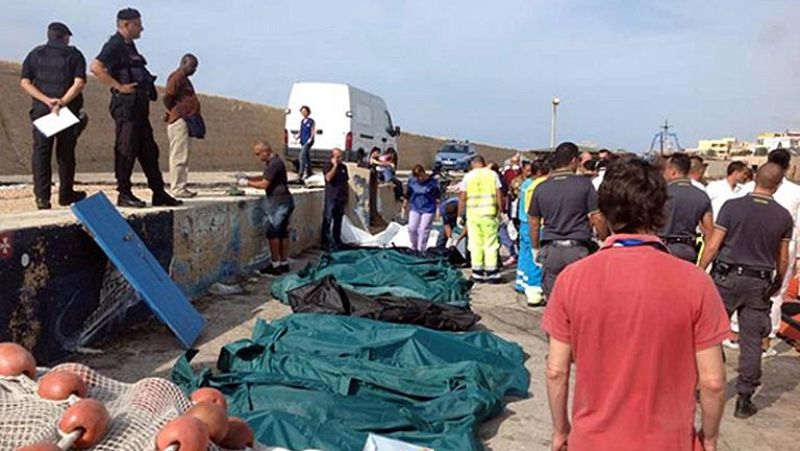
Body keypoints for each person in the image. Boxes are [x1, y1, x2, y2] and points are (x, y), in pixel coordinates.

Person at [543, 158, 728, 451]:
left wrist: (561, 430)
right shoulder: (696, 283)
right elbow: (714, 381)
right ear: (661, 212)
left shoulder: (572, 280)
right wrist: (710, 436)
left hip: (592, 441)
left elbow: (556, 370)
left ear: (603, 214)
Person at [699, 163, 793, 419]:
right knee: (752, 340)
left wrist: (701, 270)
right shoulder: (783, 216)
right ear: (778, 184)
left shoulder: (732, 207)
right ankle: (744, 397)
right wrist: (778, 281)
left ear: (754, 180)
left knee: (708, 334)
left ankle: (702, 385)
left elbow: (714, 244)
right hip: (759, 281)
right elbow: (782, 258)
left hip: (727, 278)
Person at [90, 8, 181, 208]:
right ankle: (124, 193)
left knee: (149, 150)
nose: (142, 28)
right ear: (126, 25)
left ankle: (158, 192)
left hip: (140, 106)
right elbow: (96, 67)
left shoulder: (130, 46)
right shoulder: (114, 44)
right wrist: (119, 86)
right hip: (126, 106)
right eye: (138, 24)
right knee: (126, 148)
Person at [20, 22, 88, 210]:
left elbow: (25, 82)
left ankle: (42, 198)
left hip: (42, 110)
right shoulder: (74, 54)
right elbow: (79, 83)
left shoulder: (35, 54)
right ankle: (66, 194)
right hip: (65, 111)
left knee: (41, 154)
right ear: (65, 37)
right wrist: (61, 102)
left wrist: (46, 100)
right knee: (65, 154)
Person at [529, 142, 608, 298]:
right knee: (580, 300)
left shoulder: (541, 187)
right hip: (578, 250)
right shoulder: (585, 185)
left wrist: (535, 248)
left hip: (551, 250)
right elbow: (597, 217)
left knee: (554, 301)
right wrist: (604, 239)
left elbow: (534, 222)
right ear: (574, 160)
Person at [740, 148, 800, 351]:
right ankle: (769, 334)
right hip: (785, 244)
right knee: (777, 292)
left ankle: (740, 329)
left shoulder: (749, 187)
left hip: (751, 242)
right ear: (788, 166)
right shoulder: (796, 192)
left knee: (747, 284)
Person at [237, 142, 294, 274]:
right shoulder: (275, 162)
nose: (257, 157)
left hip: (279, 203)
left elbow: (264, 184)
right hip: (285, 201)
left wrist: (246, 183)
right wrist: (248, 177)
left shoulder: (274, 164)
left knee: (272, 232)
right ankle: (284, 263)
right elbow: (266, 176)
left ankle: (275, 265)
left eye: (258, 154)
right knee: (282, 233)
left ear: (265, 151)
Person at [659, 153, 713, 263]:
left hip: (662, 249)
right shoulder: (701, 195)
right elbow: (709, 232)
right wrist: (702, 265)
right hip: (688, 251)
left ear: (672, 170)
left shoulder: (660, 193)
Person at [458, 155, 503, 283]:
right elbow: (499, 194)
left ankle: (477, 272)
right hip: (489, 214)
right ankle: (492, 272)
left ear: (473, 164)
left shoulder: (468, 176)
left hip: (473, 216)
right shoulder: (492, 175)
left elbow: (462, 197)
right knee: (490, 243)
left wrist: (459, 215)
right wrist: (501, 211)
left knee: (475, 244)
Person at [164, 53, 204, 199]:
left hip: (187, 120)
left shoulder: (184, 79)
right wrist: (173, 110)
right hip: (180, 120)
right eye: (192, 66)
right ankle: (177, 188)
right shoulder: (177, 77)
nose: (194, 70)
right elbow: (167, 96)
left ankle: (181, 185)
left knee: (184, 154)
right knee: (178, 155)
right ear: (183, 63)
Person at [515, 160, 546, 305]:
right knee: (536, 258)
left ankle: (521, 282)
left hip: (523, 223)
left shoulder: (525, 184)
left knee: (525, 254)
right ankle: (534, 288)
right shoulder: (538, 186)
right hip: (534, 224)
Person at [404, 165, 440, 252]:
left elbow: (437, 197)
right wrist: (404, 205)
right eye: (417, 177)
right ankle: (414, 246)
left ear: (424, 173)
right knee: (412, 228)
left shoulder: (432, 183)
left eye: (421, 176)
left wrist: (438, 210)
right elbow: (408, 194)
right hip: (415, 207)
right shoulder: (412, 182)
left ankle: (421, 249)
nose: (420, 178)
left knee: (423, 229)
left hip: (428, 208)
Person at [321, 148, 349, 250]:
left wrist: (346, 196)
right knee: (327, 219)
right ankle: (326, 242)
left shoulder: (344, 167)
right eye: (338, 157)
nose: (340, 158)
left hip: (341, 198)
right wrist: (335, 166)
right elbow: (328, 178)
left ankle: (337, 240)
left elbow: (346, 182)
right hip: (331, 198)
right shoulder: (327, 166)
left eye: (340, 156)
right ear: (332, 157)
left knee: (338, 220)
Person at [297, 105, 315, 182]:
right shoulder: (302, 121)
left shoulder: (311, 121)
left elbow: (313, 130)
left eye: (305, 111)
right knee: (307, 157)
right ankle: (309, 172)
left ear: (308, 112)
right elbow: (301, 130)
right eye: (302, 111)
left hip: (308, 141)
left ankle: (300, 174)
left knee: (301, 157)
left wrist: (311, 138)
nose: (303, 113)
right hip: (303, 140)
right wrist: (298, 136)